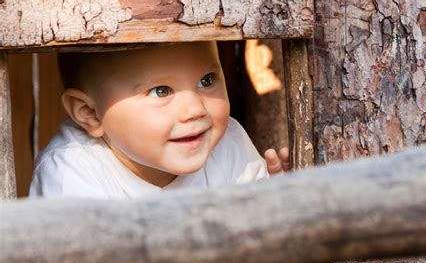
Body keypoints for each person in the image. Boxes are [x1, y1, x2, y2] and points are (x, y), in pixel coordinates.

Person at [29, 41, 289, 198]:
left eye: (206, 81)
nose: (195, 109)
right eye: (161, 91)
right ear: (90, 113)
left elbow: (263, 243)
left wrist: (280, 205)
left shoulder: (227, 144)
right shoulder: (71, 173)